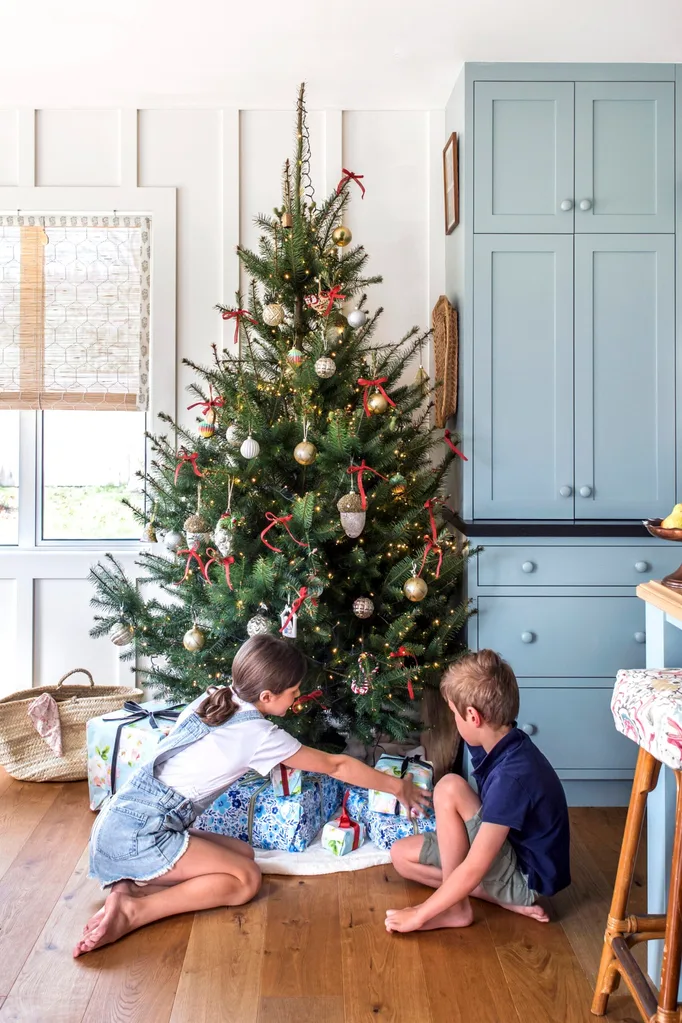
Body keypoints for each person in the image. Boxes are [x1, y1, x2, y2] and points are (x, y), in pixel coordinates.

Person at [74, 632, 429, 957]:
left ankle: (128, 889)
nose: (296, 700)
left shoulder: (215, 695)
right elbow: (336, 766)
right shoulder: (258, 734)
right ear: (266, 696)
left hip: (124, 816)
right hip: (137, 835)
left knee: (244, 853)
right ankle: (136, 911)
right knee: (245, 880)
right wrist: (400, 787)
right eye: (293, 693)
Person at [385, 649, 570, 933]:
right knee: (401, 856)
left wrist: (419, 914)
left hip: (524, 878)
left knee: (448, 786)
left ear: (472, 716)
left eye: (453, 714)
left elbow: (473, 866)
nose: (454, 723)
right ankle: (493, 899)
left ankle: (457, 908)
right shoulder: (496, 738)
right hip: (504, 854)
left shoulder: (513, 776)